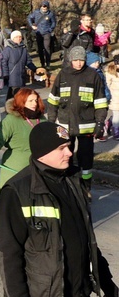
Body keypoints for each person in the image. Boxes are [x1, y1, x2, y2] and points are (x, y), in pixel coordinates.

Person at [0, 121, 118, 297]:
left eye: (69, 146)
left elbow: (85, 236)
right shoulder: (17, 192)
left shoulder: (73, 180)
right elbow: (8, 256)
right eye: (62, 148)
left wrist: (104, 276)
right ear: (42, 151)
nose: (69, 153)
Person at [0, 88, 45, 225]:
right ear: (21, 101)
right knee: (7, 198)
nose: (34, 103)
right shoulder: (11, 120)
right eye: (30, 100)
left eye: (36, 100)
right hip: (14, 166)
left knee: (33, 199)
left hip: (37, 166)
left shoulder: (42, 120)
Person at [47, 46, 108, 197]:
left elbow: (100, 102)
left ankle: (85, 188)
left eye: (81, 60)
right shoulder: (63, 74)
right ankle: (66, 187)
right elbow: (53, 100)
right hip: (64, 125)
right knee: (64, 156)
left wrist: (100, 123)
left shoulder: (92, 75)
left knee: (85, 159)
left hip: (86, 126)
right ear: (70, 60)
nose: (79, 63)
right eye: (76, 60)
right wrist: (51, 122)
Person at [2, 30, 37, 100]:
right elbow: (4, 62)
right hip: (12, 75)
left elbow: (28, 61)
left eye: (20, 37)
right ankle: (16, 108)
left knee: (12, 93)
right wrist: (5, 74)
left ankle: (9, 106)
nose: (19, 38)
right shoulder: (8, 49)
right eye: (17, 37)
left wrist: (35, 69)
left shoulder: (23, 48)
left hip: (21, 74)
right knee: (17, 93)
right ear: (13, 38)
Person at [27, 0, 56, 69]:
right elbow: (29, 18)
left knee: (47, 48)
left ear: (48, 7)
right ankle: (42, 63)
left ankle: (48, 64)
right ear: (41, 6)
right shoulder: (36, 12)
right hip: (38, 33)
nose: (44, 8)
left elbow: (53, 23)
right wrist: (32, 26)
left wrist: (50, 30)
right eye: (43, 6)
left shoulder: (50, 14)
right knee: (40, 49)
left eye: (45, 6)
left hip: (47, 33)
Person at [106, 58, 119, 140]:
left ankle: (109, 122)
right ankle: (116, 131)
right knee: (117, 115)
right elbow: (107, 84)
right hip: (115, 97)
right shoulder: (111, 72)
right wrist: (109, 94)